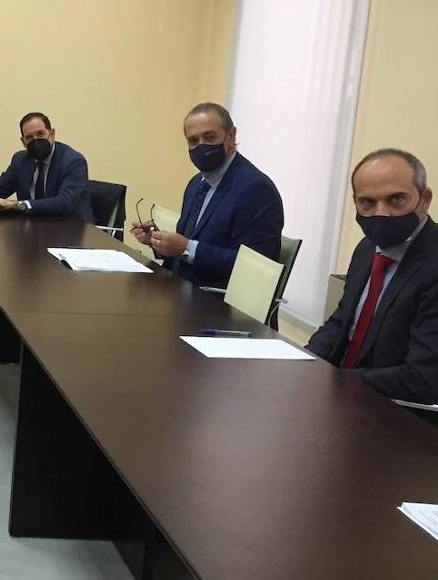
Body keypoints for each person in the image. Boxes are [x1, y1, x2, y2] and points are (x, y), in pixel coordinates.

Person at [307, 149, 438, 405]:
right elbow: (341, 323)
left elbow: (424, 378)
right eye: (367, 202)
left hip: (396, 411)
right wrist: (305, 362)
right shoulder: (367, 248)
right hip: (343, 396)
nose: (381, 213)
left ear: (424, 199)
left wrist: (335, 381)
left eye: (396, 199)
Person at [129, 102, 283, 288]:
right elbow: (186, 249)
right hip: (178, 289)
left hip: (214, 300)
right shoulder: (196, 183)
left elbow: (254, 268)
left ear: (231, 135)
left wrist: (186, 248)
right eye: (193, 141)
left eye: (209, 137)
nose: (201, 146)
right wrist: (158, 243)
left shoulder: (256, 189)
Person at [0, 111, 93, 221]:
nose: (36, 140)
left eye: (41, 134)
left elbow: (63, 203)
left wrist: (16, 205)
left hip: (71, 231)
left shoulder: (73, 161)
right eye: (29, 137)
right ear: (23, 142)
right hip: (33, 230)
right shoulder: (21, 159)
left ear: (52, 133)